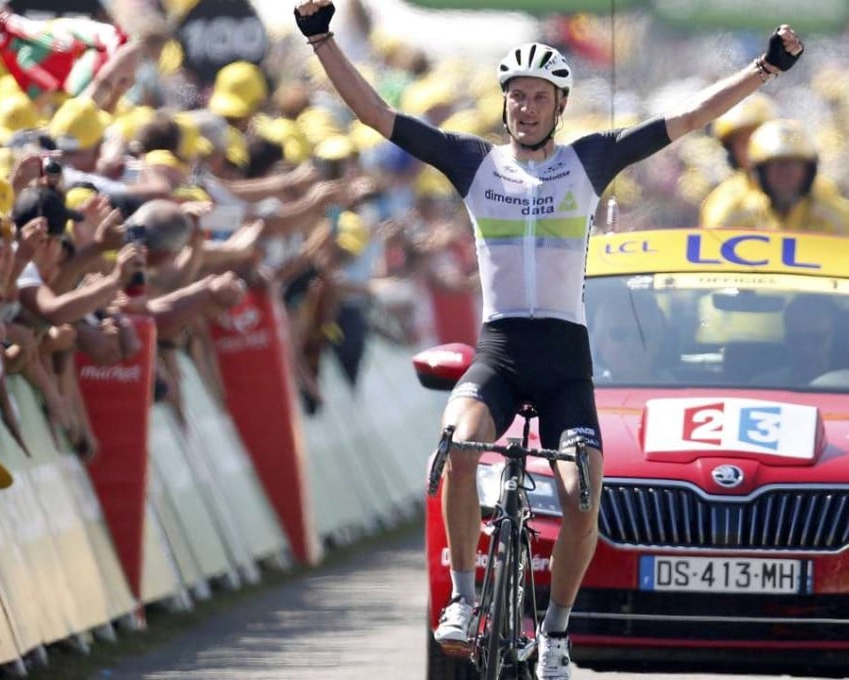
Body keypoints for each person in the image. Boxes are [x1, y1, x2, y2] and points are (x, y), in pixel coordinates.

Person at [293, 2, 803, 677]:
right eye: (516, 96)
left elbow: (687, 118)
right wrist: (321, 37)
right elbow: (375, 115)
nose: (525, 108)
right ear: (503, 103)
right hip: (501, 352)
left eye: (538, 97)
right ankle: (465, 601)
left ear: (560, 105)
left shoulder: (590, 160)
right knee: (457, 446)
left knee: (581, 493)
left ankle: (556, 635)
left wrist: (764, 68)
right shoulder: (473, 163)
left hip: (565, 363)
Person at [705, 118, 849, 233]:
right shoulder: (731, 215)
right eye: (778, 166)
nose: (787, 174)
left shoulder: (837, 218)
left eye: (794, 165)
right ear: (759, 172)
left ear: (809, 171)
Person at [700, 93, 776, 227]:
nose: (752, 148)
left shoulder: (815, 195)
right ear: (731, 151)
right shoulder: (722, 204)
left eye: (758, 137)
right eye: (743, 142)